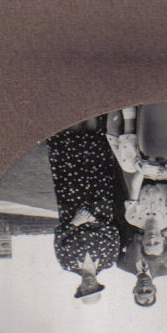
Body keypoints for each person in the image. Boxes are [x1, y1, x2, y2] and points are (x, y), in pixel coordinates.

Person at [46, 124, 130, 296]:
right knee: (97, 158)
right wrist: (94, 221)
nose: (89, 286)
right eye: (93, 289)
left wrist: (75, 223)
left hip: (71, 206)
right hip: (100, 204)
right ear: (98, 285)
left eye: (86, 290)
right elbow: (114, 233)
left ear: (80, 288)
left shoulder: (67, 263)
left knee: (68, 161)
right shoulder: (108, 261)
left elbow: (59, 237)